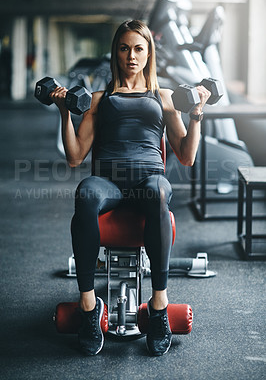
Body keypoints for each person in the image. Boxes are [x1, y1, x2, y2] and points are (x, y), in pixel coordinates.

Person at [50, 19, 211, 357]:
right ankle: (89, 307)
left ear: (148, 52)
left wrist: (196, 116)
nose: (132, 55)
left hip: (148, 180)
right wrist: (65, 113)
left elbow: (186, 156)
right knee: (85, 193)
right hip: (107, 182)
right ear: (116, 53)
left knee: (158, 193)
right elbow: (76, 157)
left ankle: (158, 305)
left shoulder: (164, 97)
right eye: (124, 48)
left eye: (139, 48)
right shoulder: (98, 99)